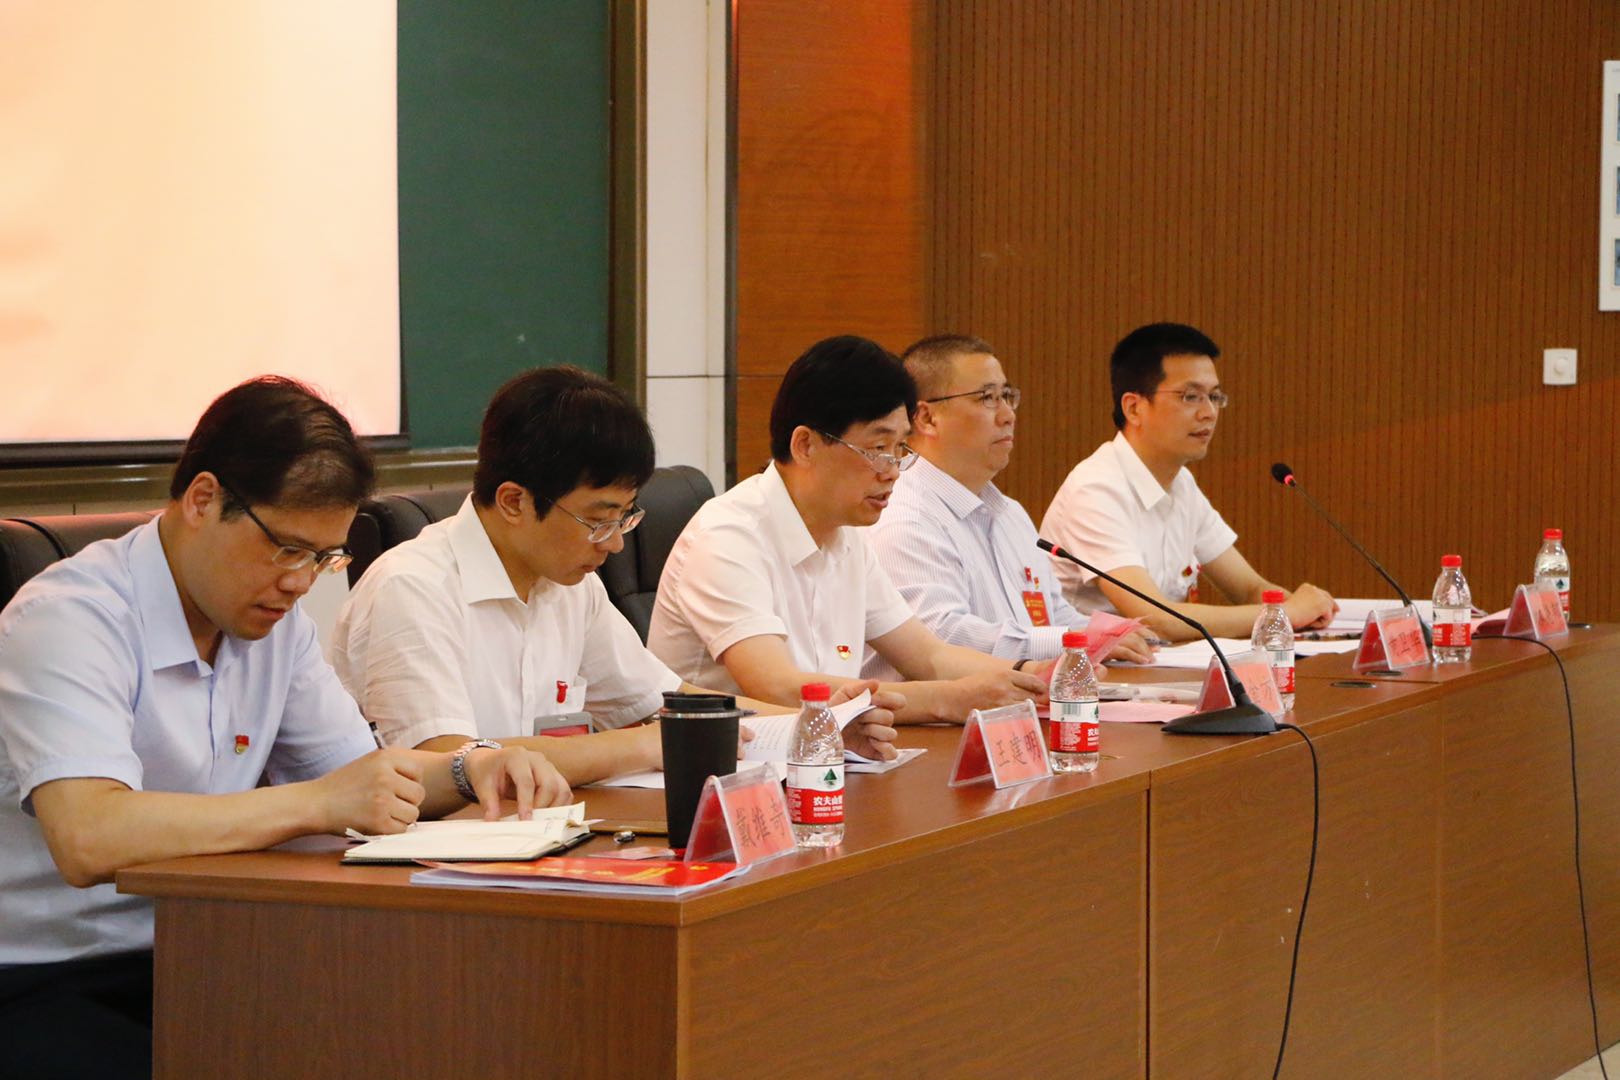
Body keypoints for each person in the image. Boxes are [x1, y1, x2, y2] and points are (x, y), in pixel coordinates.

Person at [0, 377, 570, 1080]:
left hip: (212, 944)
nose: (301, 583)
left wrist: (472, 767)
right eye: (287, 549)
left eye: (323, 558)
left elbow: (363, 779)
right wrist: (316, 802)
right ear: (203, 500)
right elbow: (89, 836)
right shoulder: (69, 619)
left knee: (443, 1028)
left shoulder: (272, 626)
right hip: (49, 972)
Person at [331, 366, 898, 772]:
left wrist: (814, 727)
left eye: (624, 518)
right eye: (599, 519)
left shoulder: (569, 587)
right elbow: (444, 761)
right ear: (514, 501)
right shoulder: (413, 587)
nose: (615, 544)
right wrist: (644, 746)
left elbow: (667, 700)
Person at [648, 335, 1050, 722]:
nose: (893, 471)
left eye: (900, 448)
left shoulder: (847, 536)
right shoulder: (727, 536)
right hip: (722, 762)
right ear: (805, 445)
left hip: (825, 753)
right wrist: (949, 699)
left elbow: (929, 657)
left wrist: (1034, 675)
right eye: (877, 449)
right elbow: (776, 686)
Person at [867, 334, 1155, 670]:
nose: (1008, 415)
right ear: (927, 418)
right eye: (987, 398)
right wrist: (1069, 640)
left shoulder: (1010, 514)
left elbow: (1053, 615)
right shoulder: (905, 516)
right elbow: (942, 636)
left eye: (1007, 396)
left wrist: (1111, 634)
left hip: (1024, 696)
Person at [1040, 323, 1337, 641]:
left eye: (1214, 396)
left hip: (1155, 665)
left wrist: (1300, 610)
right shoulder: (1096, 489)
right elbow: (1155, 619)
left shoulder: (1181, 483)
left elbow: (1249, 588)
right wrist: (1285, 614)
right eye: (1191, 396)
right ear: (1134, 408)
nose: (1209, 413)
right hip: (1089, 668)